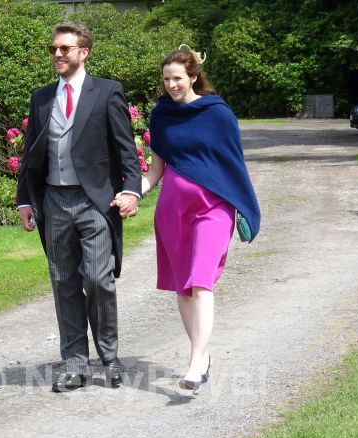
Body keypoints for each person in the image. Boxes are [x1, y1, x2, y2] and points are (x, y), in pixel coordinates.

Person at [16, 23, 142, 393]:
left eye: (65, 49)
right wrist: (25, 199)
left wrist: (131, 191)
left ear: (83, 52)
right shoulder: (41, 98)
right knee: (63, 281)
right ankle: (74, 363)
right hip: (54, 199)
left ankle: (110, 356)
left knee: (98, 280)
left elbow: (125, 149)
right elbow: (29, 155)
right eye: (54, 49)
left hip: (94, 200)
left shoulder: (107, 92)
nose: (57, 54)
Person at [137, 45, 260, 393]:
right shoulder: (160, 115)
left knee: (201, 280)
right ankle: (202, 357)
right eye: (166, 80)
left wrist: (244, 204)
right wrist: (134, 192)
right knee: (184, 287)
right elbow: (155, 170)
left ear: (193, 77)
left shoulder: (218, 113)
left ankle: (194, 361)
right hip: (173, 210)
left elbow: (233, 164)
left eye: (177, 78)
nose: (171, 85)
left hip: (213, 208)